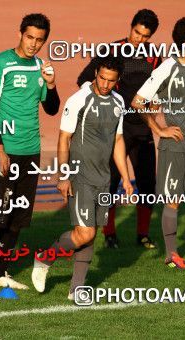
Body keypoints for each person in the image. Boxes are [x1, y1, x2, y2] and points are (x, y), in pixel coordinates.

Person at [0, 13, 60, 291]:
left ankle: (0, 271)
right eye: (30, 37)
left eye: (40, 40)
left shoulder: (41, 67)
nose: (33, 44)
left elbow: (52, 108)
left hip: (31, 150)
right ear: (20, 34)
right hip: (5, 149)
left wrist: (52, 84)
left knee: (18, 216)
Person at [32, 57, 134, 301]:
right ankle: (44, 258)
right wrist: (64, 175)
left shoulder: (119, 102)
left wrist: (126, 178)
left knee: (91, 232)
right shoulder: (80, 99)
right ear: (96, 73)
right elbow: (63, 138)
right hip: (80, 174)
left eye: (111, 80)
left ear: (117, 80)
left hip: (103, 177)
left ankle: (76, 288)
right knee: (85, 232)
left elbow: (118, 141)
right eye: (101, 78)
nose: (105, 84)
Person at [77, 9, 161, 249]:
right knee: (110, 182)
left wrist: (155, 104)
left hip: (142, 129)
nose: (139, 39)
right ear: (130, 27)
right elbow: (83, 79)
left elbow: (160, 88)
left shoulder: (154, 57)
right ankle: (110, 233)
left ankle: (143, 234)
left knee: (147, 184)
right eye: (137, 32)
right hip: (113, 130)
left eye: (145, 36)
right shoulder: (112, 51)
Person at [131, 16, 185, 269]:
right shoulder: (167, 68)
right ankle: (171, 254)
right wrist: (158, 129)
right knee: (172, 200)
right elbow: (138, 101)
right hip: (174, 146)